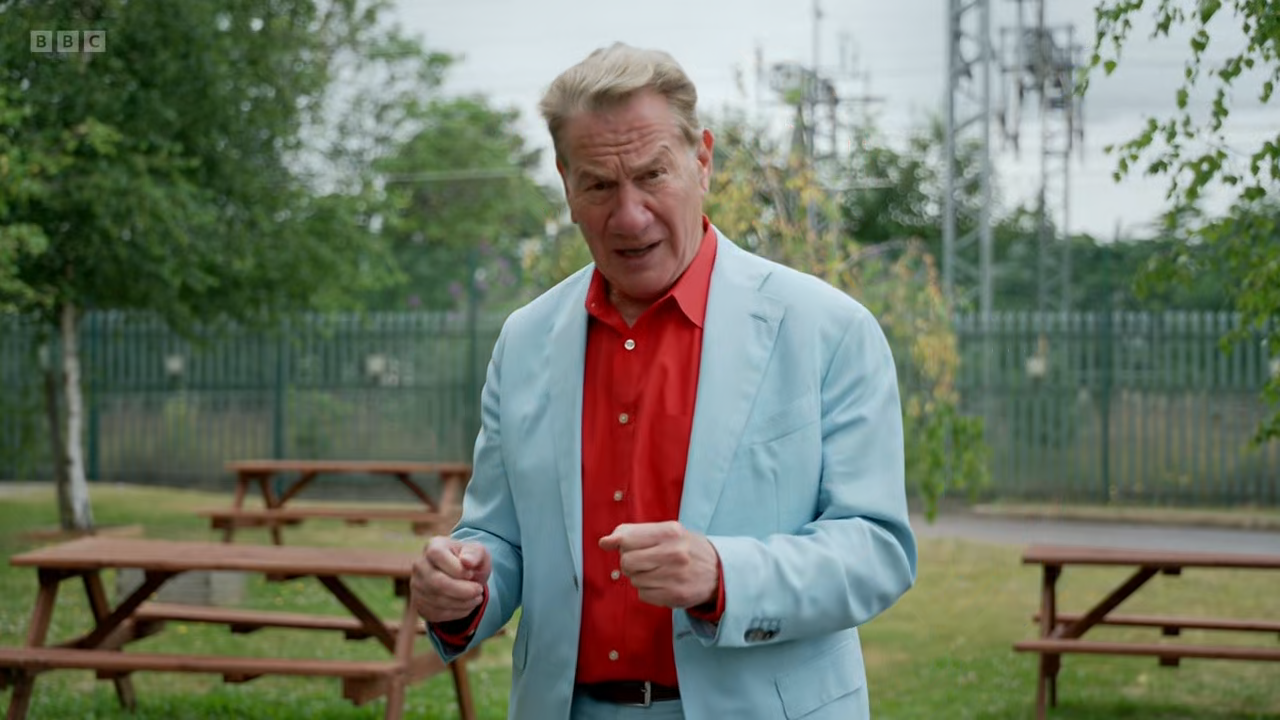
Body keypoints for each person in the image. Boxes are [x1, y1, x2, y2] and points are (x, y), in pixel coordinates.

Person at [411, 42, 917, 720]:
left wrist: (722, 574)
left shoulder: (829, 329)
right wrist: (463, 584)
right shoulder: (524, 341)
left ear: (702, 160)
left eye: (652, 175)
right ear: (565, 184)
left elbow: (877, 549)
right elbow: (499, 537)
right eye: (599, 184)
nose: (629, 215)